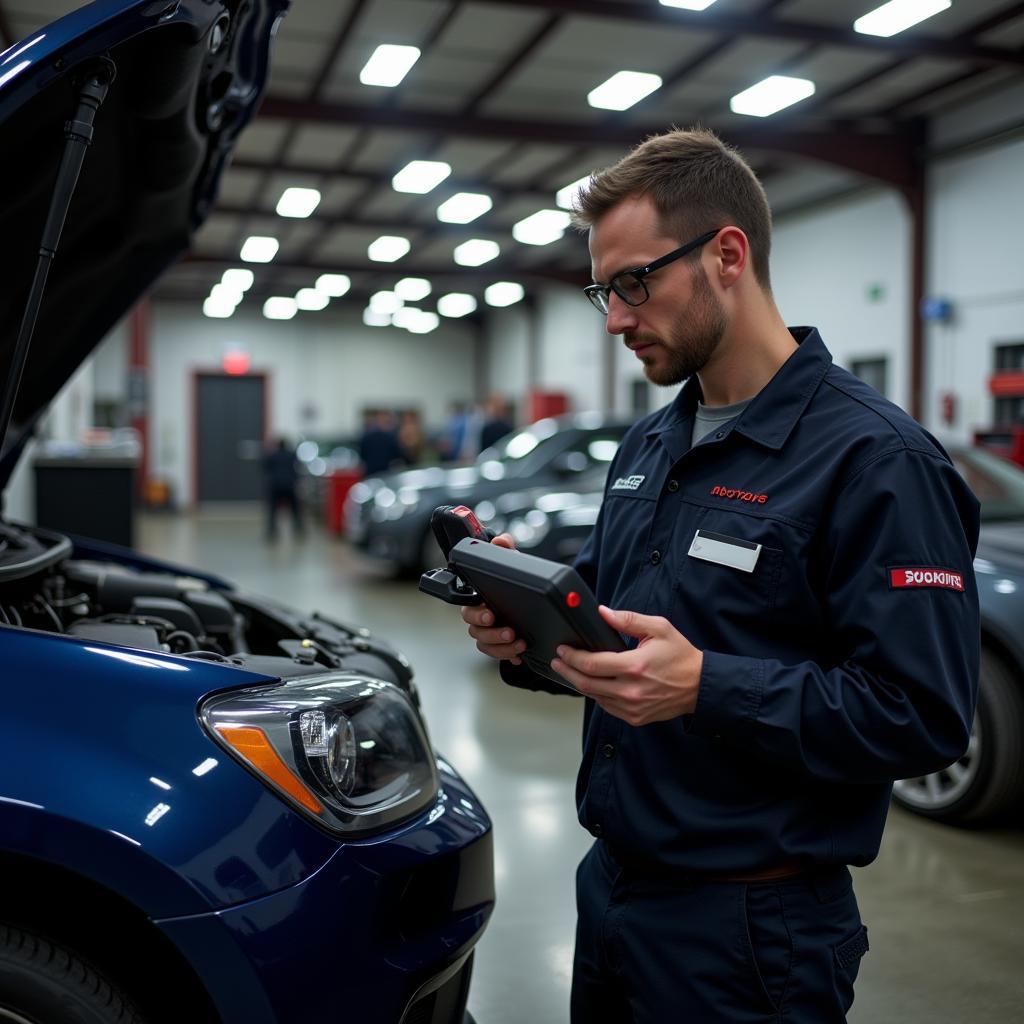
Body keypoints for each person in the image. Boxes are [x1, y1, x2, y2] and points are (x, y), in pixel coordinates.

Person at [460, 127, 980, 1023]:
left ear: (726, 255)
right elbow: (613, 626)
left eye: (634, 284)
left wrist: (706, 687)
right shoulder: (650, 442)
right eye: (602, 291)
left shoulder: (876, 460)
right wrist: (528, 635)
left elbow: (922, 716)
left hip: (751, 932)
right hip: (612, 890)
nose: (617, 318)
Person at [262, 437, 303, 541]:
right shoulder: (292, 455)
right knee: (295, 510)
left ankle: (271, 532)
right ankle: (299, 530)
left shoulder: (272, 455)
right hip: (290, 485)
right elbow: (298, 467)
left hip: (275, 486)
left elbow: (264, 467)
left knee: (273, 511)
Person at [358, 409, 404, 477]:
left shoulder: (368, 436)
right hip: (382, 473)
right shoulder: (391, 437)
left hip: (376, 472)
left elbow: (362, 455)